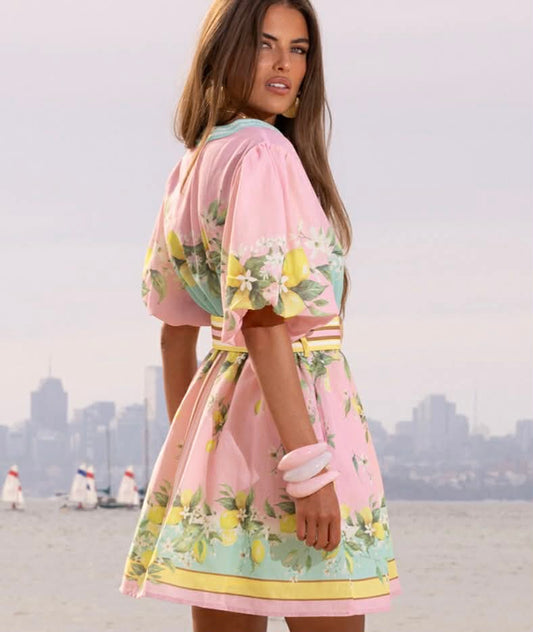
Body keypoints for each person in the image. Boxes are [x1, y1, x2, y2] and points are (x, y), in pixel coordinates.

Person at [119, 1, 402, 630]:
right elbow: (265, 321)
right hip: (298, 429)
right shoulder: (265, 153)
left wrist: (197, 457)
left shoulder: (192, 164)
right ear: (224, 51)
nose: (283, 65)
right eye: (265, 44)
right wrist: (310, 472)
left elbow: (175, 332)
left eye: (298, 50)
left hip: (222, 432)